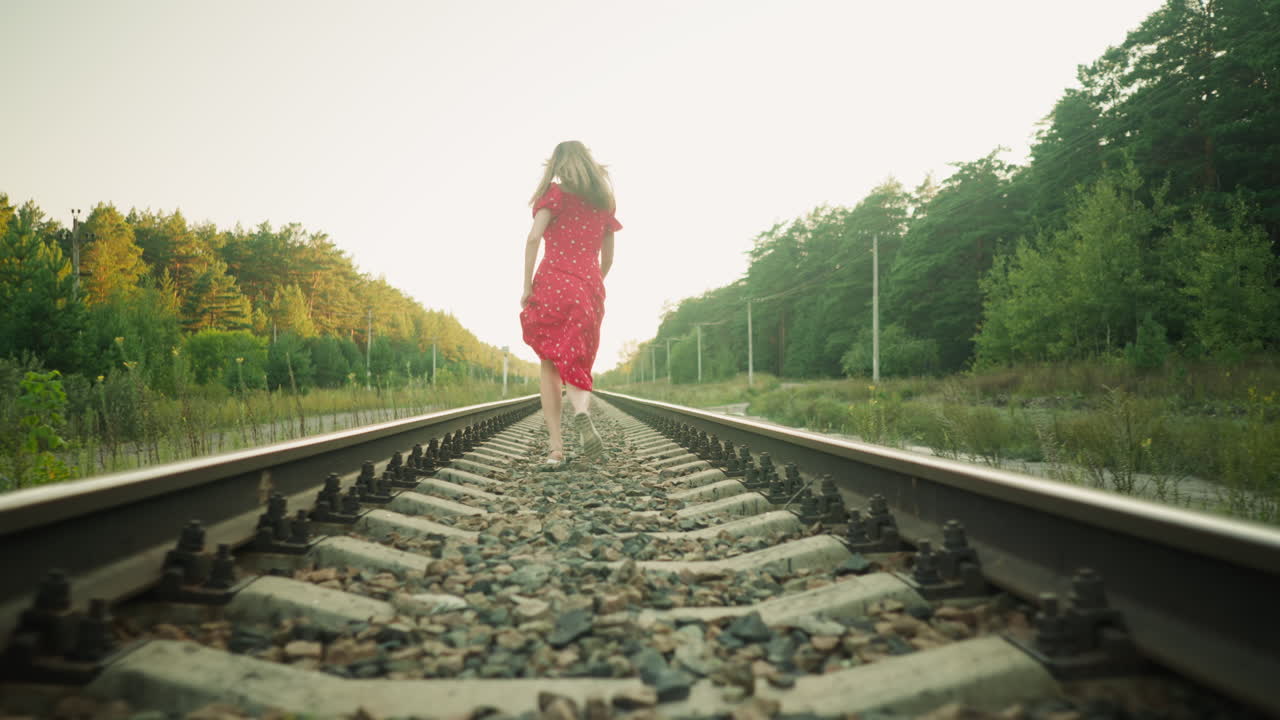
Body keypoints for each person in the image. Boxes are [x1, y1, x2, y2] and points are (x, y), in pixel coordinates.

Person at [519, 140, 621, 468]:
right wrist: (590, 283)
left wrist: (526, 286)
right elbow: (609, 258)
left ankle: (556, 449)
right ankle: (580, 411)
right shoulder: (604, 202)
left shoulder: (555, 194)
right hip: (589, 285)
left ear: (559, 164)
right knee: (578, 359)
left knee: (550, 361)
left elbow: (533, 238)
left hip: (552, 283)